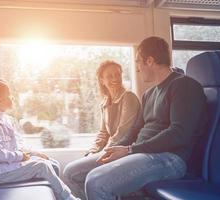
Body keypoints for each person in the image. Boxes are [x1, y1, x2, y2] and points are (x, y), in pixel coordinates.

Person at [75, 36, 207, 200]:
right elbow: (134, 131)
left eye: (138, 62)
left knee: (96, 183)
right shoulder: (148, 94)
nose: (137, 68)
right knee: (72, 172)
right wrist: (116, 149)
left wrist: (130, 150)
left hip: (169, 158)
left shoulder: (184, 85)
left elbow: (178, 133)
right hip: (141, 152)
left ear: (150, 61)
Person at [0, 79, 79, 200]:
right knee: (42, 167)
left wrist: (33, 153)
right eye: (9, 96)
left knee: (53, 163)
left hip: (6, 166)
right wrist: (20, 156)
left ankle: (58, 197)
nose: (12, 98)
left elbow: (16, 144)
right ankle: (69, 198)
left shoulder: (6, 119)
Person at [63, 60, 141, 200]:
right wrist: (92, 151)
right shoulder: (105, 102)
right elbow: (103, 133)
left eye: (117, 74)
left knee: (70, 173)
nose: (115, 78)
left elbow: (123, 133)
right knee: (74, 172)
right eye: (109, 76)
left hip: (122, 152)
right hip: (109, 150)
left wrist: (102, 154)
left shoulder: (129, 97)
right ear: (102, 80)